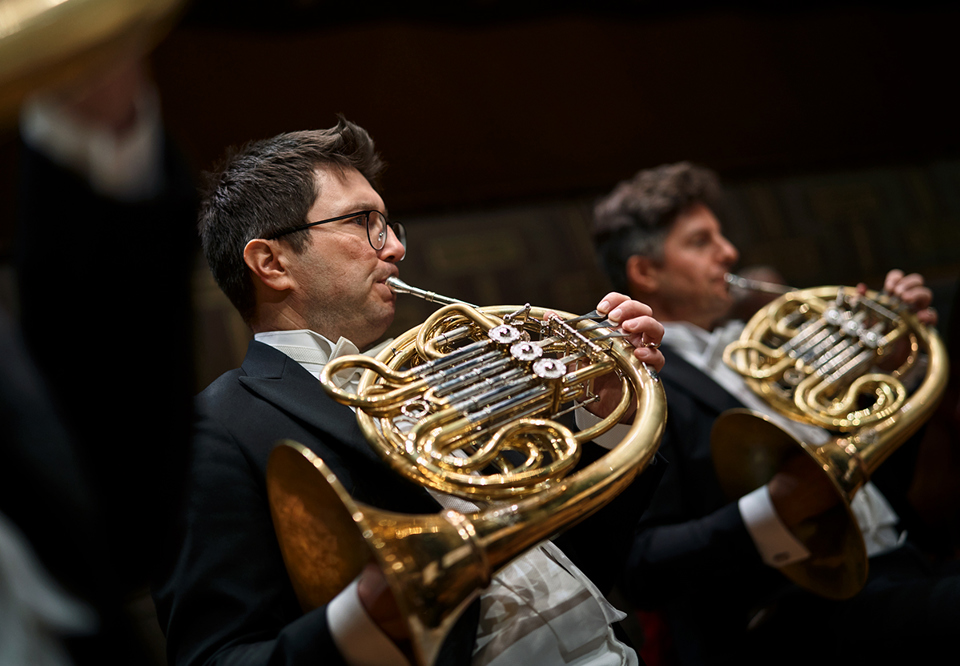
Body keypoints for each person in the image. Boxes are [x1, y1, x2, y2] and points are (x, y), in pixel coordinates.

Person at [152, 118, 670, 666]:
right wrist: (364, 621)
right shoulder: (216, 431)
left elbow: (576, 558)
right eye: (363, 222)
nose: (395, 247)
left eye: (389, 224)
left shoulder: (437, 370)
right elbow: (214, 658)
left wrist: (608, 417)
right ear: (271, 263)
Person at [591, 162, 959, 665]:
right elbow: (639, 568)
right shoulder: (632, 387)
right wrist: (774, 511)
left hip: (903, 566)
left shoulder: (766, 350)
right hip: (787, 619)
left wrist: (893, 375)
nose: (729, 252)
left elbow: (876, 477)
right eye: (701, 241)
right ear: (645, 272)